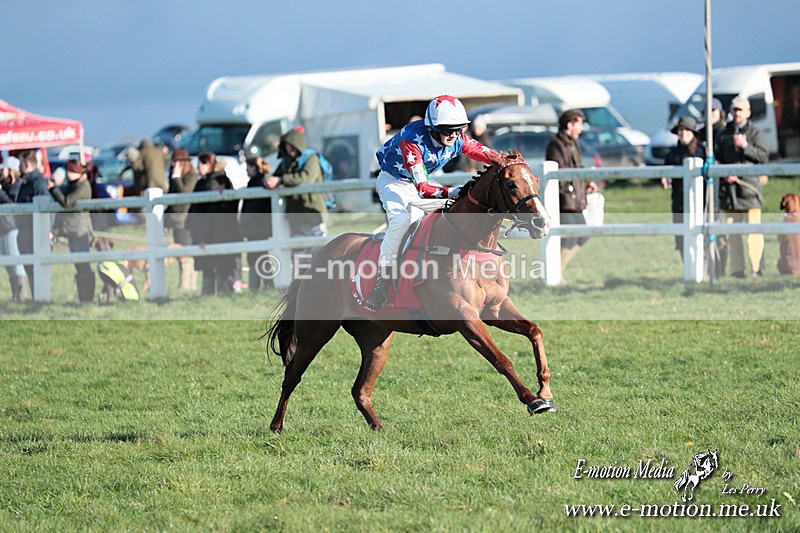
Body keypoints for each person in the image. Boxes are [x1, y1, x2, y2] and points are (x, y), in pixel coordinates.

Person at [365, 95, 498, 310]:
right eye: (447, 130)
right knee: (401, 220)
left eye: (458, 129)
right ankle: (383, 280)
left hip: (418, 182)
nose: (453, 135)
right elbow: (424, 190)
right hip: (394, 182)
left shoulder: (458, 137)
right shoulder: (413, 140)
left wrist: (508, 162)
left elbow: (484, 153)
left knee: (453, 211)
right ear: (432, 127)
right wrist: (454, 191)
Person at [716, 96, 770, 278]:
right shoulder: (723, 134)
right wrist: (724, 173)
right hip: (729, 193)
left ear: (748, 112)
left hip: (749, 192)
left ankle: (757, 269)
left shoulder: (755, 134)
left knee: (754, 233)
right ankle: (737, 270)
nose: (737, 113)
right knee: (733, 234)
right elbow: (716, 158)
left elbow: (763, 156)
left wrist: (746, 146)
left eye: (740, 110)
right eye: (735, 110)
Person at [545, 109, 598, 279]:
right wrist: (573, 189)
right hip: (563, 200)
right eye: (580, 124)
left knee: (582, 235)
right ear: (570, 124)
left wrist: (586, 182)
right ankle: (555, 274)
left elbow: (577, 168)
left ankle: (557, 272)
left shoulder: (572, 144)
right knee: (569, 238)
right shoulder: (556, 145)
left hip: (574, 198)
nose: (582, 128)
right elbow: (560, 173)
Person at [271, 127, 329, 274]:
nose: (289, 148)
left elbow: (306, 178)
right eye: (286, 145)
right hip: (296, 217)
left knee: (319, 253)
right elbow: (274, 177)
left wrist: (281, 180)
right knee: (299, 256)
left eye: (291, 145)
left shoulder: (311, 159)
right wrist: (268, 181)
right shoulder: (286, 162)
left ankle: (321, 284)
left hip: (313, 215)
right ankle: (301, 287)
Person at [49, 159, 95, 303]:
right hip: (74, 230)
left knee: (83, 265)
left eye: (70, 171)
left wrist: (53, 189)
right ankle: (84, 297)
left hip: (80, 231)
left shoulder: (83, 187)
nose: (68, 175)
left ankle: (87, 298)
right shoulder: (75, 185)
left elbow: (67, 202)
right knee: (79, 264)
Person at [663, 116, 706, 262]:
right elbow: (664, 173)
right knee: (681, 238)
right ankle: (687, 267)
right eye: (681, 130)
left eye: (687, 130)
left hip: (700, 203)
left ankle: (702, 268)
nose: (683, 133)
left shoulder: (703, 152)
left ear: (693, 133)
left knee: (700, 237)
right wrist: (664, 178)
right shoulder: (671, 154)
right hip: (679, 203)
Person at [240, 145, 279, 291]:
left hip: (256, 227)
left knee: (259, 257)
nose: (246, 170)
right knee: (259, 256)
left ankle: (260, 286)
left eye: (247, 166)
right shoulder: (258, 182)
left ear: (253, 167)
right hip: (257, 227)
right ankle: (262, 285)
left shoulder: (258, 183)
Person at [15, 149, 50, 296]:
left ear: (27, 165)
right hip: (25, 229)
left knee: (37, 266)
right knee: (29, 266)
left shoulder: (38, 182)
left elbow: (46, 207)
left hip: (34, 231)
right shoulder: (25, 182)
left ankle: (41, 296)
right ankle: (37, 296)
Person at [165, 149, 198, 290]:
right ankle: (185, 284)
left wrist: (177, 178)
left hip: (185, 220)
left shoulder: (190, 176)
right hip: (175, 220)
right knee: (180, 253)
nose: (174, 165)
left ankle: (187, 285)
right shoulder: (173, 177)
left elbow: (184, 194)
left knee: (186, 255)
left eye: (177, 162)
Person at [0, 156, 27, 300]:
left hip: (12, 226)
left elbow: (11, 203)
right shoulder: (5, 184)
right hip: (2, 227)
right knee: (7, 262)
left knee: (15, 260)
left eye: (4, 169)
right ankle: (15, 293)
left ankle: (21, 294)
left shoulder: (17, 185)